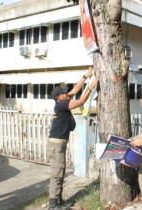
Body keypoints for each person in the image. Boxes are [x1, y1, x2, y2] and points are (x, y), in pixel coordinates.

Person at [48, 67, 97, 210]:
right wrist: (91, 88)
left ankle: (59, 201)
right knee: (57, 174)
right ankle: (53, 205)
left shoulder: (62, 101)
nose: (66, 93)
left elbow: (75, 90)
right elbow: (81, 101)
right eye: (63, 93)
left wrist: (86, 76)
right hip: (56, 144)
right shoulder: (61, 105)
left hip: (59, 143)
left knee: (61, 172)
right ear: (59, 97)